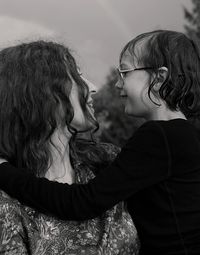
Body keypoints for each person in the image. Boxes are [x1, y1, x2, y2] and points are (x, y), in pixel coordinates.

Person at [0, 29, 200, 254]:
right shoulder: (180, 138)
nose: (112, 85)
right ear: (41, 94)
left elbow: (79, 202)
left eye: (124, 72)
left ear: (159, 78)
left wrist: (4, 171)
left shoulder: (133, 148)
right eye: (77, 77)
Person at [0, 40, 139, 254]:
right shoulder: (7, 200)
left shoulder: (108, 160)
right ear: (43, 93)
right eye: (77, 76)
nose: (93, 88)